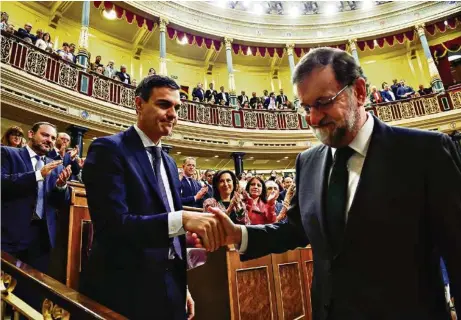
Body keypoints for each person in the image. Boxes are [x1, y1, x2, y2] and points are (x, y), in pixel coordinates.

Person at [210, 47, 461, 320]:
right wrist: (239, 234)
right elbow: (296, 229)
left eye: (324, 102)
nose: (314, 119)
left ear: (360, 92)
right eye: (306, 107)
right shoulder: (308, 162)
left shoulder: (425, 152)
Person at [80, 75, 226, 319]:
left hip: (170, 286)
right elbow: (113, 227)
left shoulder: (169, 163)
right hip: (126, 287)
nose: (173, 114)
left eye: (176, 107)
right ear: (139, 104)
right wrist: (182, 220)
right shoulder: (108, 150)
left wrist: (182, 285)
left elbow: (169, 234)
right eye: (163, 104)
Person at [1, 122, 71, 274]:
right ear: (31, 134)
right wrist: (38, 175)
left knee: (34, 290)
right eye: (45, 135)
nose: (50, 140)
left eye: (53, 138)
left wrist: (61, 186)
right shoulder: (7, 153)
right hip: (10, 234)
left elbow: (59, 203)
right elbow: (3, 183)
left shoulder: (55, 165)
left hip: (42, 238)